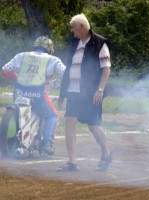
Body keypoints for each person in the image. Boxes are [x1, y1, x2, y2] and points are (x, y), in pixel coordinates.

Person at [57, 13, 112, 172]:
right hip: (74, 92)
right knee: (69, 121)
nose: (72, 31)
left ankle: (106, 153)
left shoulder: (99, 43)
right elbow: (69, 68)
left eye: (73, 28)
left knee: (93, 125)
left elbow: (106, 69)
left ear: (81, 27)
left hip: (91, 92)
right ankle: (72, 162)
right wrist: (62, 93)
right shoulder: (75, 42)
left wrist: (99, 90)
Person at [2, 36, 66, 155]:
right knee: (53, 116)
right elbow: (66, 74)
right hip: (39, 97)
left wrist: (16, 77)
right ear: (49, 49)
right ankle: (48, 145)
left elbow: (5, 69)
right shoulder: (53, 59)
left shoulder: (21, 55)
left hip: (18, 93)